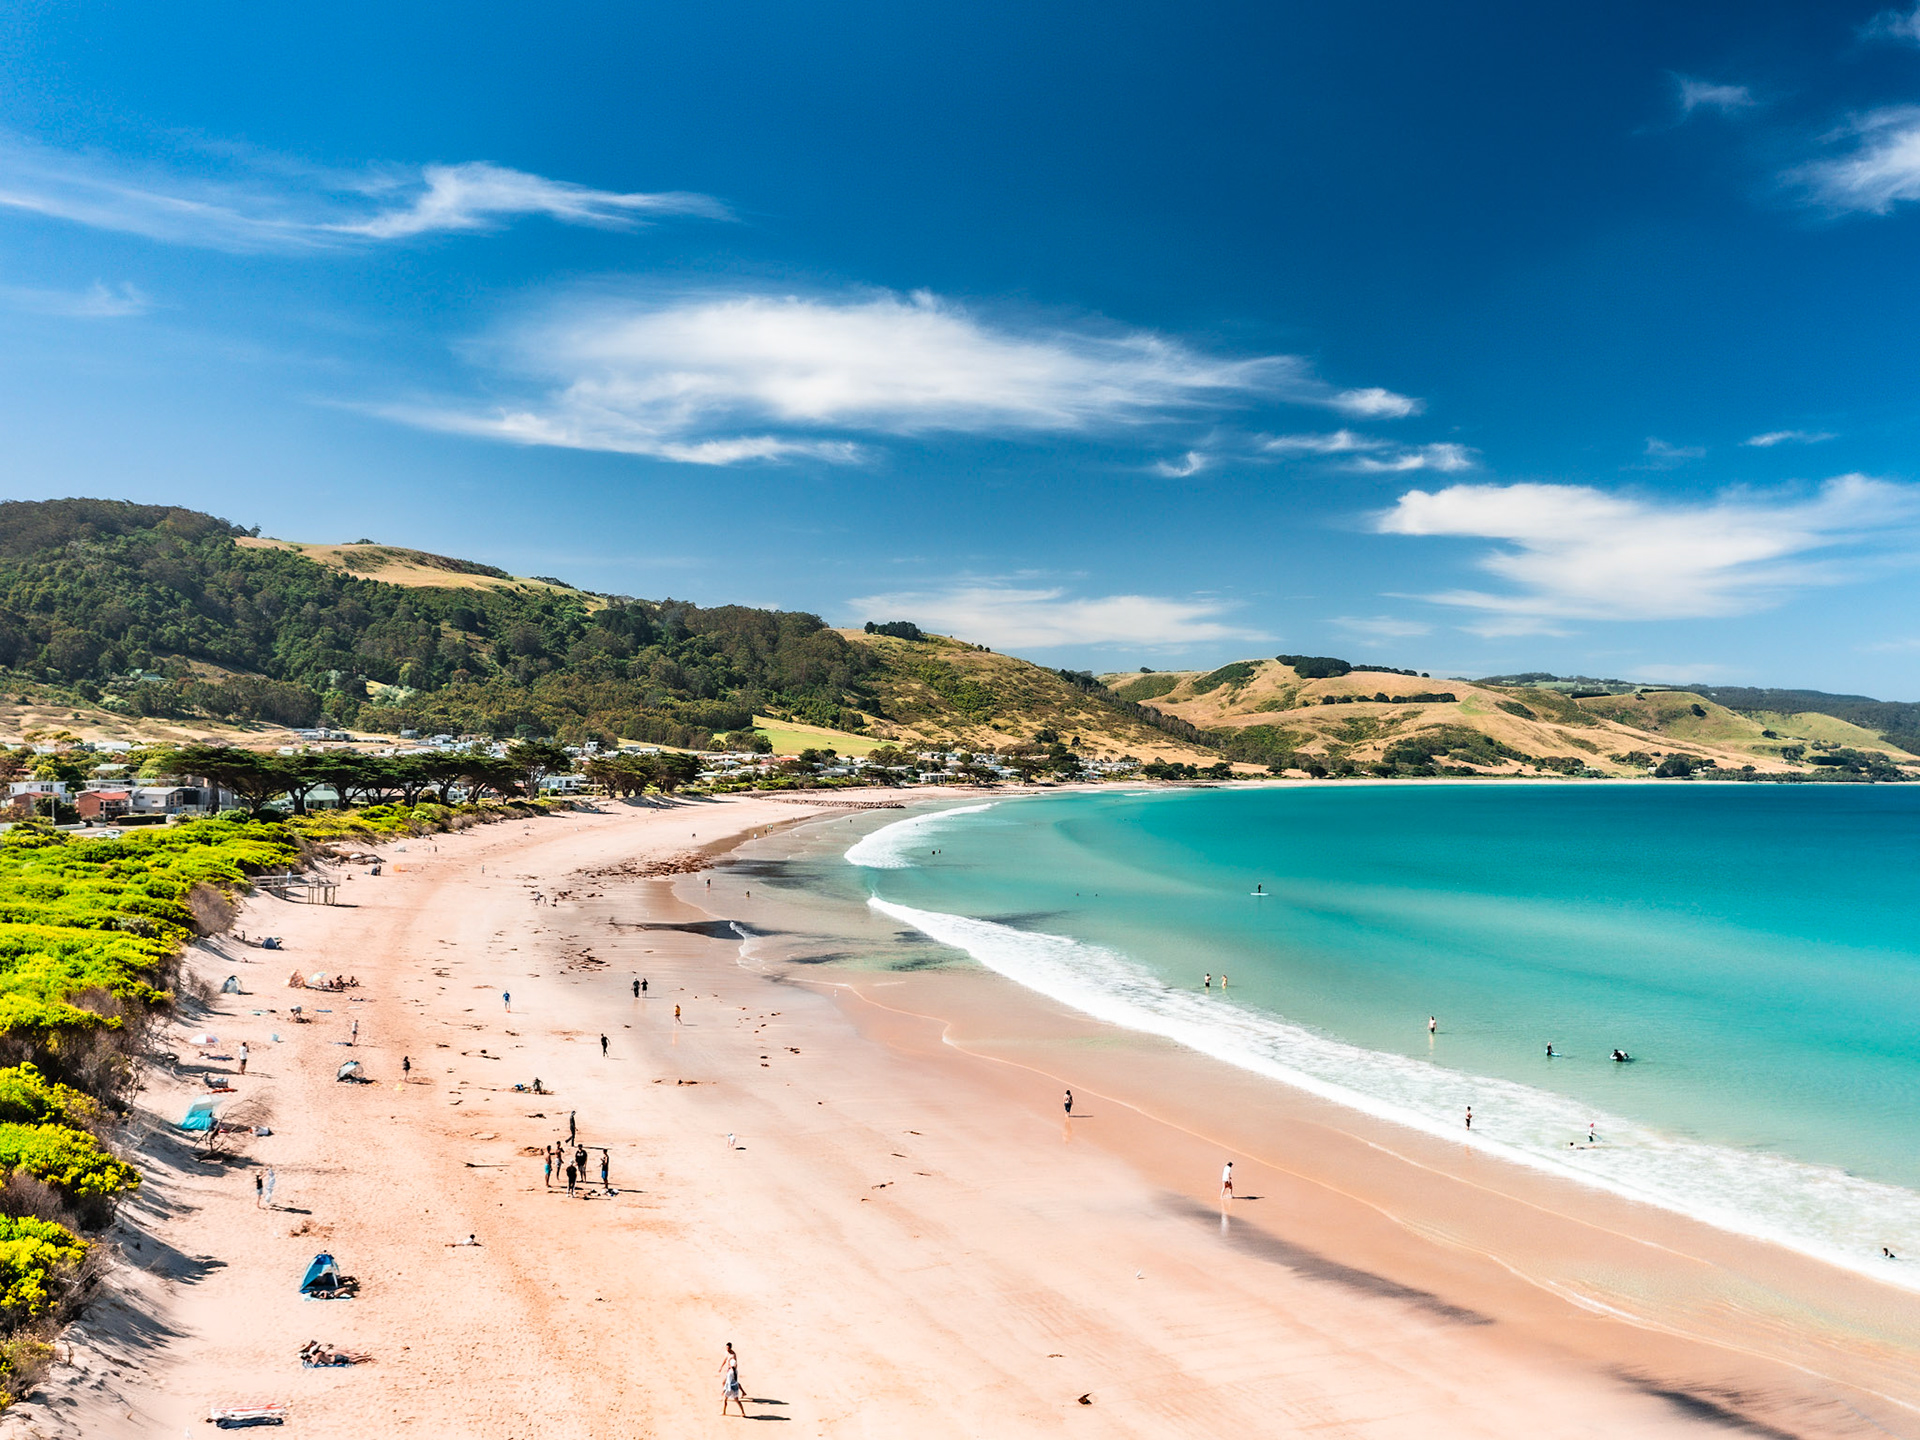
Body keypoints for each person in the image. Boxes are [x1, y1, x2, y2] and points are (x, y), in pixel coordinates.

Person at [719, 1343, 747, 1417]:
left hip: (730, 1388)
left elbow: (728, 1382)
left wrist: (724, 1390)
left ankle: (724, 1412)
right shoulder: (735, 1372)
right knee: (737, 1400)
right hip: (734, 1388)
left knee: (725, 1400)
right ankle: (743, 1412)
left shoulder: (730, 1373)